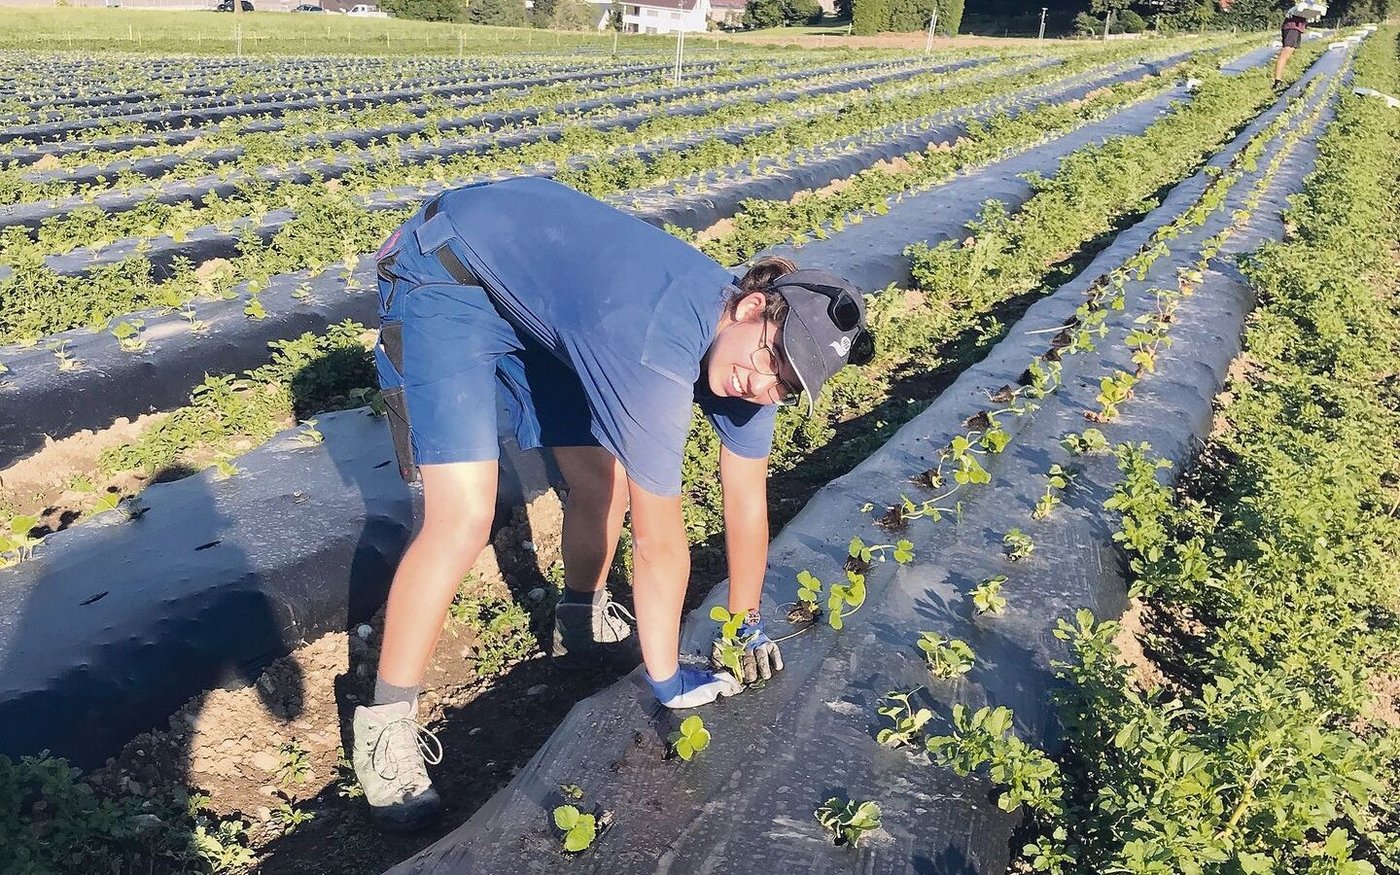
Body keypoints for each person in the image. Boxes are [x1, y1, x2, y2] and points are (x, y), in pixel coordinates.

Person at [349, 176, 873, 830]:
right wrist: (667, 677)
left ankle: (581, 616)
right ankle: (384, 730)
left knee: (604, 478)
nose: (763, 384)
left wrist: (744, 623)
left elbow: (745, 502)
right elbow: (658, 543)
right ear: (750, 307)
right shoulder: (656, 345)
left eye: (786, 385)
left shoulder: (753, 368)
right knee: (463, 516)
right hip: (450, 271)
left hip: (545, 295)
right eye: (770, 359)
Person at [1274, 12, 1308, 90]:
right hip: (1292, 27)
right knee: (1286, 53)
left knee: (1288, 53)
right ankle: (1277, 82)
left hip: (1295, 27)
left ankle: (1278, 80)